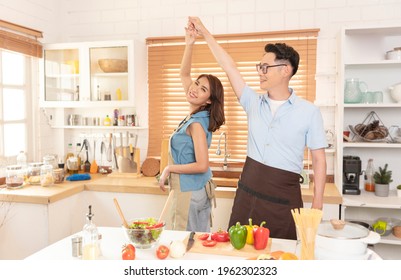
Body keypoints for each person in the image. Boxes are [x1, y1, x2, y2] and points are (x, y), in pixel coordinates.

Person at [188, 17, 327, 240]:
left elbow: (319, 160)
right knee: (239, 250)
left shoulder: (309, 112)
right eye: (259, 67)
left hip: (284, 197)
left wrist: (318, 202)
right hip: (248, 192)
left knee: (282, 256)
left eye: (265, 67)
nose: (259, 72)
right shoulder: (253, 102)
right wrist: (204, 32)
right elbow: (228, 65)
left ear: (285, 70)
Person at [158, 23, 225, 232]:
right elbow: (184, 74)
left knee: (186, 247)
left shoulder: (196, 123)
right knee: (195, 245)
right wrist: (189, 43)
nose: (194, 88)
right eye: (196, 83)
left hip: (190, 192)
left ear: (208, 101)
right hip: (196, 190)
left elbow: (202, 165)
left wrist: (169, 168)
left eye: (202, 89)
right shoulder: (198, 113)